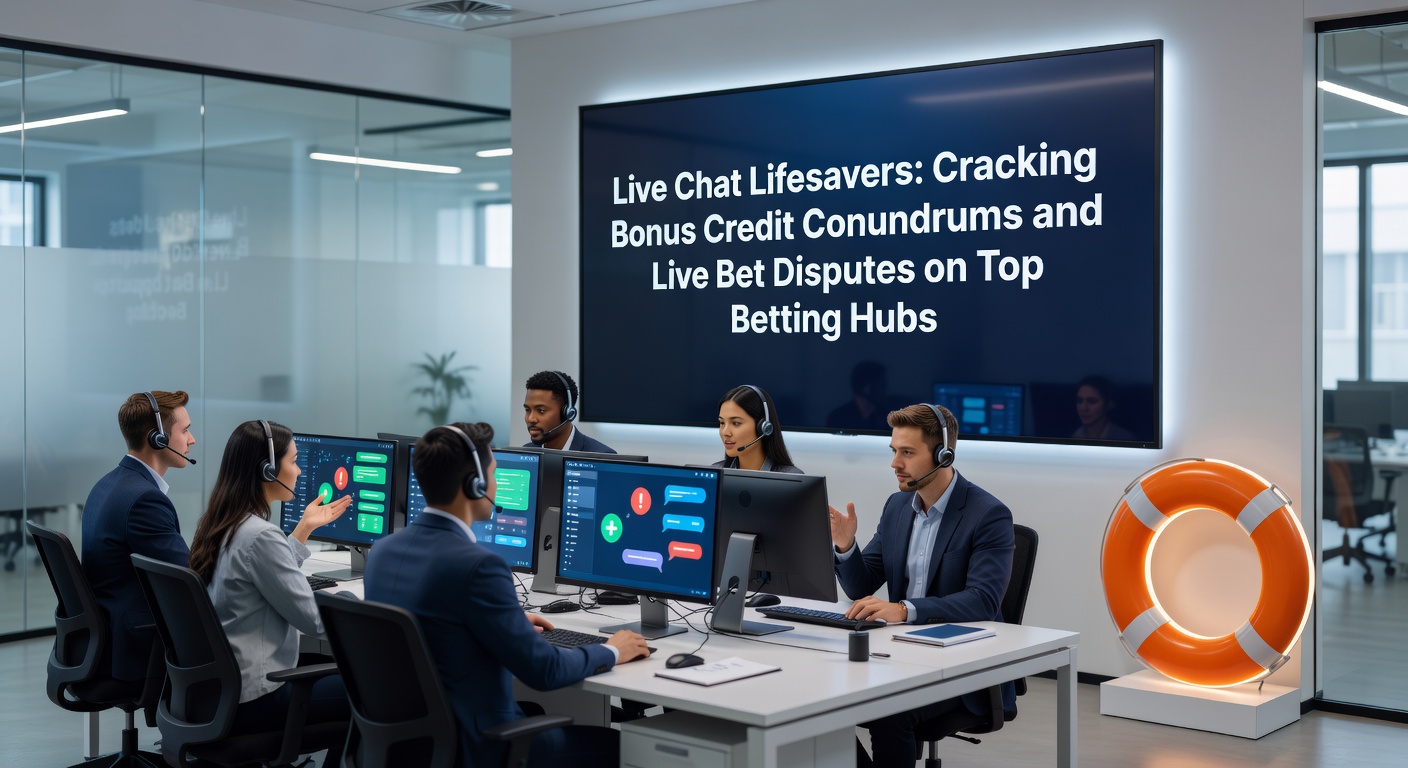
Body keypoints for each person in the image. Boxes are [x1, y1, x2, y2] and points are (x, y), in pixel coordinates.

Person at [365, 423, 650, 768]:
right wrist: (611, 650)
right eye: (494, 474)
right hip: (474, 746)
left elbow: (435, 625)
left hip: (409, 743)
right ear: (476, 485)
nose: (496, 485)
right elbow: (544, 671)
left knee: (532, 711)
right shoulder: (479, 566)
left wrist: (504, 622)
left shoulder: (382, 551)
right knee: (623, 746)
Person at [829, 404, 1015, 768]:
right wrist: (846, 546)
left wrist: (904, 610)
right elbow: (861, 584)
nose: (895, 463)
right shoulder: (898, 507)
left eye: (908, 453)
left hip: (963, 668)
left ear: (944, 455)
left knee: (889, 713)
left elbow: (983, 600)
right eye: (894, 452)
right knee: (819, 699)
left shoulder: (989, 514)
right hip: (901, 656)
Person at [187, 420, 353, 762]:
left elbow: (260, 574)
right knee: (370, 688)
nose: (299, 469)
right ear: (268, 470)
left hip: (219, 691)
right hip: (258, 697)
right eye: (293, 461)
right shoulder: (260, 535)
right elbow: (314, 622)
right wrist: (358, 603)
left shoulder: (222, 522)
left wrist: (303, 529)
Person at [81, 390, 197, 683]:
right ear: (157, 438)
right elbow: (188, 582)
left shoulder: (107, 484)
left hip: (102, 638)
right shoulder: (145, 500)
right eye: (185, 431)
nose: (191, 440)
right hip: (136, 648)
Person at [713, 384, 802, 473]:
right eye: (722, 423)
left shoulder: (790, 477)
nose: (725, 432)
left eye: (736, 423)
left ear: (763, 427)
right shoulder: (715, 471)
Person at [522, 370, 616, 453]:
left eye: (541, 411)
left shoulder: (602, 456)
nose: (531, 418)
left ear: (567, 413)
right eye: (527, 410)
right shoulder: (525, 453)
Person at [1072, 375, 1136, 441]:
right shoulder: (1077, 435)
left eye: (1092, 401)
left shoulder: (1123, 437)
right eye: (1079, 401)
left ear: (1109, 404)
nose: (1083, 408)